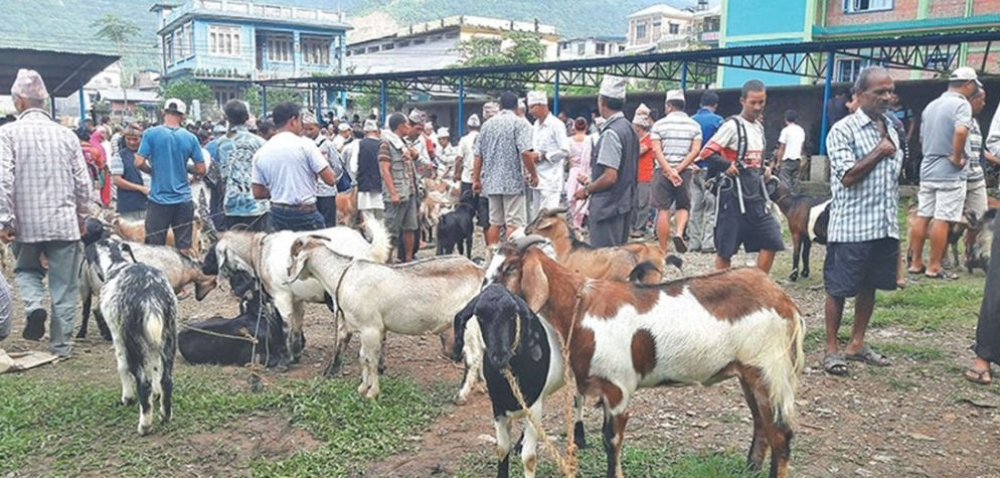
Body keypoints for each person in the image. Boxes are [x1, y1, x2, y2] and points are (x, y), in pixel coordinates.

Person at [0, 69, 91, 357]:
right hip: (65, 223)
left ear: (19, 101)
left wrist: (4, 220)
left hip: (26, 224)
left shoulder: (7, 134)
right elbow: (82, 181)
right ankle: (60, 347)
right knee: (65, 286)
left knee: (26, 269)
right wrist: (83, 217)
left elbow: (3, 179)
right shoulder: (67, 135)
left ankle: (34, 306)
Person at [821, 66, 903, 376]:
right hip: (852, 226)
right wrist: (879, 152)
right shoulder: (843, 130)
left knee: (871, 285)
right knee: (839, 288)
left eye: (890, 91)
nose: (887, 97)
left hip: (882, 224)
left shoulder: (892, 127)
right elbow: (847, 177)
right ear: (859, 95)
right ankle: (831, 349)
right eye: (879, 92)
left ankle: (856, 343)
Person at [698, 80, 784, 273]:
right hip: (732, 196)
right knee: (725, 249)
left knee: (772, 239)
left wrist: (765, 170)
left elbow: (756, 159)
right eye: (753, 102)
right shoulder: (732, 126)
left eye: (761, 102)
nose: (757, 107)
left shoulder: (759, 128)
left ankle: (757, 285)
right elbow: (706, 153)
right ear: (742, 101)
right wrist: (726, 165)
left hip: (755, 194)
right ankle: (722, 293)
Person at [908, 67, 979, 279]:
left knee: (924, 216)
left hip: (928, 168)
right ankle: (934, 266)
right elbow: (960, 130)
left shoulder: (932, 106)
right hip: (949, 171)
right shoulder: (961, 104)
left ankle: (916, 263)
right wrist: (957, 158)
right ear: (968, 84)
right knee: (943, 218)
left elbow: (921, 140)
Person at [135, 98, 205, 256]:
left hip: (159, 200)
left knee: (154, 247)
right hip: (183, 200)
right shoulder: (190, 138)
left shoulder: (150, 134)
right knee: (184, 247)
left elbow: (138, 162)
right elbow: (201, 169)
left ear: (163, 113)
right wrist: (184, 167)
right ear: (182, 116)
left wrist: (152, 171)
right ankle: (184, 279)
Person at [251, 102, 336, 232]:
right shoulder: (306, 145)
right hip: (305, 214)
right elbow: (330, 179)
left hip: (276, 213)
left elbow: (257, 192)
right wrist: (323, 161)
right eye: (300, 120)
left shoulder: (261, 152)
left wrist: (279, 190)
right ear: (293, 120)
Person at [574, 76, 638, 248]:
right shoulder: (629, 128)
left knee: (605, 264)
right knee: (618, 263)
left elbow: (610, 176)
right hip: (623, 204)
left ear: (601, 102)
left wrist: (587, 190)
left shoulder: (611, 133)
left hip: (608, 209)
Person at [473, 92, 536, 248]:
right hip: (512, 182)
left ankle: (491, 257)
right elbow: (526, 152)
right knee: (513, 224)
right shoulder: (519, 123)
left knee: (495, 223)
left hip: (491, 182)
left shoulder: (487, 125)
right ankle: (511, 259)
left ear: (500, 106)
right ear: (516, 107)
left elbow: (478, 155)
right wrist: (533, 174)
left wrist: (476, 179)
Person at [650, 89, 702, 254]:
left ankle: (663, 249)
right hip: (684, 172)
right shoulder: (694, 125)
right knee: (683, 206)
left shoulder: (659, 125)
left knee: (663, 210)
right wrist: (678, 169)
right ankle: (679, 233)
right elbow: (695, 150)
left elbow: (656, 150)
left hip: (662, 172)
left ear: (669, 105)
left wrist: (669, 170)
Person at [214, 100, 269, 231]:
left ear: (226, 118)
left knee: (235, 247)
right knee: (257, 246)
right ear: (247, 118)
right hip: (257, 205)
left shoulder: (221, 143)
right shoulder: (260, 142)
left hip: (232, 204)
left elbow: (219, 175)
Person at [380, 112, 420, 262]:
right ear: (401, 126)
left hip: (409, 191)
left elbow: (415, 159)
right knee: (391, 230)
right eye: (408, 124)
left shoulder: (403, 143)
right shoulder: (386, 144)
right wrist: (393, 193)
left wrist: (414, 154)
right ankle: (387, 261)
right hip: (397, 193)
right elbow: (384, 169)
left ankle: (408, 260)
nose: (409, 127)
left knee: (410, 227)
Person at [690, 92, 724, 253]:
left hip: (692, 169)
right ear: (715, 105)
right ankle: (708, 243)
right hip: (711, 170)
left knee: (695, 207)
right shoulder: (718, 121)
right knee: (711, 208)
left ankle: (693, 242)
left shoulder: (690, 121)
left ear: (700, 103)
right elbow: (722, 146)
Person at [527, 90, 569, 218]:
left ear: (541, 105)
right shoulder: (535, 125)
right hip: (537, 179)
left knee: (547, 220)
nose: (530, 112)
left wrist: (543, 156)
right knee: (536, 218)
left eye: (532, 107)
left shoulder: (556, 125)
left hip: (551, 180)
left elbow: (565, 150)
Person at [302, 110, 343, 228]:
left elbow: (338, 167)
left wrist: (333, 181)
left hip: (326, 192)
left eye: (311, 129)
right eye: (305, 129)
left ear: (318, 127)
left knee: (328, 224)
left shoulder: (327, 144)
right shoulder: (302, 146)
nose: (308, 132)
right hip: (309, 193)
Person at [108, 124, 149, 222]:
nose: (131, 142)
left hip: (150, 205)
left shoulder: (149, 155)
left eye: (135, 139)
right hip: (129, 205)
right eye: (128, 139)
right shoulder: (119, 156)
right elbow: (117, 180)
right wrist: (140, 188)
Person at [964, 88, 989, 228]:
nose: (984, 103)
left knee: (980, 221)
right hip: (958, 179)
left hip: (976, 179)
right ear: (972, 100)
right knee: (953, 222)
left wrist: (982, 172)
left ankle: (973, 249)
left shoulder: (975, 122)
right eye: (982, 99)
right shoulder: (958, 120)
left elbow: (980, 153)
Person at [352, 119, 384, 220]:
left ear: (365, 132)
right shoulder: (383, 145)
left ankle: (370, 236)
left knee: (368, 219)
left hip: (364, 188)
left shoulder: (358, 144)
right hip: (382, 188)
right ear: (378, 132)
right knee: (382, 220)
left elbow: (353, 168)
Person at [566, 117, 593, 233]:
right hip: (586, 171)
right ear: (586, 127)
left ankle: (574, 220)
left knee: (572, 195)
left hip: (574, 171)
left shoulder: (569, 141)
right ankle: (579, 221)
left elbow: (566, 157)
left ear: (574, 127)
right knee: (584, 197)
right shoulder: (590, 140)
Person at [632, 104, 654, 237]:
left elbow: (638, 152)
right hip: (636, 175)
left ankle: (640, 228)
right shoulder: (640, 139)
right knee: (635, 203)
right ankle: (635, 226)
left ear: (639, 128)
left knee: (643, 203)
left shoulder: (649, 139)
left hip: (645, 175)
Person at [775, 109, 806, 194]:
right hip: (797, 159)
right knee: (795, 182)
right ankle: (796, 201)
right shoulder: (801, 130)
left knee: (786, 183)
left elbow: (782, 147)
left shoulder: (785, 131)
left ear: (785, 119)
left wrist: (778, 161)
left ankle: (787, 200)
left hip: (786, 159)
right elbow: (802, 146)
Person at [889, 93, 918, 183]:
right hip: (891, 138)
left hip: (902, 138)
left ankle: (909, 179)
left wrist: (908, 135)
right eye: (892, 97)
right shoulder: (887, 110)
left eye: (896, 97)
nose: (894, 99)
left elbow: (912, 121)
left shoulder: (905, 109)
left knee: (906, 157)